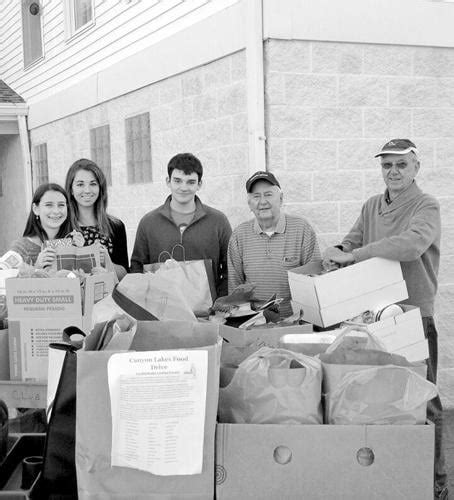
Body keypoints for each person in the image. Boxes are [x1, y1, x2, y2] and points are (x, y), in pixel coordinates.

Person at [323, 138, 447, 500]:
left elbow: (409, 245)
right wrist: (340, 252)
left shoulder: (427, 205)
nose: (393, 172)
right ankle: (388, 477)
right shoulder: (372, 205)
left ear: (416, 168)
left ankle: (435, 480)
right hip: (373, 317)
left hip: (412, 317)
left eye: (401, 165)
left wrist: (355, 254)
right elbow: (352, 241)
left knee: (425, 401)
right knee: (379, 399)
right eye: (386, 165)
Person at [130, 152, 232, 297]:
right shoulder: (148, 222)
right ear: (168, 181)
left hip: (208, 314)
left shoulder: (218, 221)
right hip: (161, 311)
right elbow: (136, 268)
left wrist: (219, 302)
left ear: (199, 184)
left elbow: (230, 268)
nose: (183, 188)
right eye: (177, 181)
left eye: (190, 182)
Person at [228, 171, 320, 319]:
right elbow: (235, 288)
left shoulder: (302, 229)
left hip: (296, 323)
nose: (262, 201)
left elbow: (315, 280)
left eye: (268, 194)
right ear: (249, 203)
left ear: (281, 198)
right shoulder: (239, 235)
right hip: (253, 324)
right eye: (256, 196)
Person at [65, 159, 129, 280]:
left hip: (107, 297)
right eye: (80, 184)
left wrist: (106, 261)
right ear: (71, 189)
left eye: (93, 184)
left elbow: (124, 275)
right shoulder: (63, 227)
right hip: (72, 296)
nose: (87, 190)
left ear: (100, 188)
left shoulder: (116, 226)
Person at [10, 183, 72, 268]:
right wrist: (37, 267)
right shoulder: (21, 249)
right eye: (49, 205)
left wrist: (80, 251)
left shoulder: (73, 243)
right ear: (36, 209)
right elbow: (6, 278)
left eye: (61, 205)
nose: (56, 211)